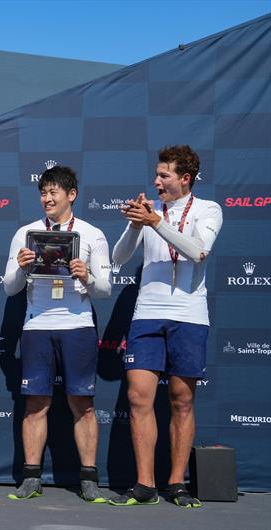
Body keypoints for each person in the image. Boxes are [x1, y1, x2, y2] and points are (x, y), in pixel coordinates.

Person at [109, 145, 222, 508]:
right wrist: (134, 224)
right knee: (138, 396)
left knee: (182, 400)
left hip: (189, 313)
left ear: (184, 179)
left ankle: (176, 483)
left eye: (164, 176)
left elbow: (197, 251)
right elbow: (118, 257)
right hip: (147, 313)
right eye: (156, 175)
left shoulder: (208, 210)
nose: (156, 181)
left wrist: (156, 223)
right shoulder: (149, 211)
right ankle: (145, 484)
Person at [3, 165, 111, 502]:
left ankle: (89, 478)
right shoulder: (26, 232)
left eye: (54, 192)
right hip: (37, 326)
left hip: (78, 325)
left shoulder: (92, 234)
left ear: (71, 195)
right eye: (43, 192)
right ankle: (31, 477)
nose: (47, 198)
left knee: (83, 404)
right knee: (35, 404)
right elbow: (8, 288)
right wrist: (21, 268)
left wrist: (87, 277)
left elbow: (105, 290)